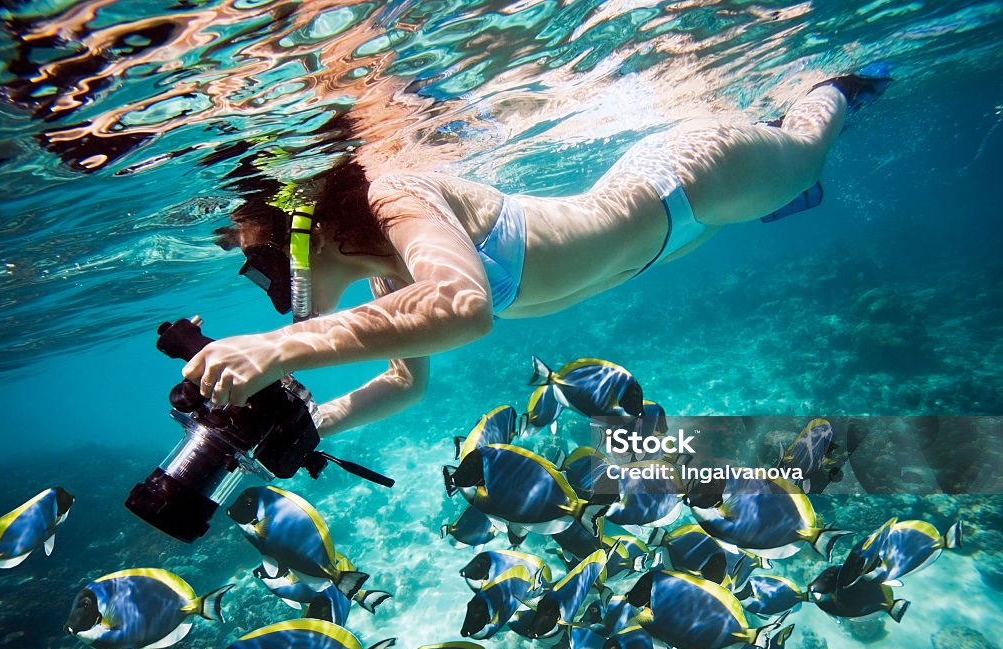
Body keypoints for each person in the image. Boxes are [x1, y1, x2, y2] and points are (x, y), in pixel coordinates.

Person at [183, 69, 891, 436]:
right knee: (772, 196)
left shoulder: (395, 194)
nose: (269, 285)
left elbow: (465, 306)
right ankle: (774, 193)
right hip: (664, 245)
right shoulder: (387, 283)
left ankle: (840, 87)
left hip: (687, 183)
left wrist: (280, 349)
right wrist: (314, 421)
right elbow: (407, 382)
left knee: (804, 154)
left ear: (301, 230)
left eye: (261, 262)